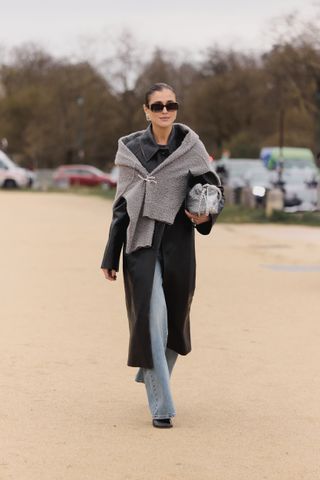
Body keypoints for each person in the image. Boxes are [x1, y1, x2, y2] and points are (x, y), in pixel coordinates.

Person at [101, 82, 223, 429]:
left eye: (171, 104)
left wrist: (207, 215)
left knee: (174, 323)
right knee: (151, 320)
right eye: (157, 106)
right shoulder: (130, 152)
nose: (165, 110)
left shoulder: (191, 148)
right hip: (141, 246)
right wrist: (110, 255)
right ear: (146, 111)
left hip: (179, 244)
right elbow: (122, 208)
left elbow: (215, 190)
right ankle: (162, 406)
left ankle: (151, 372)